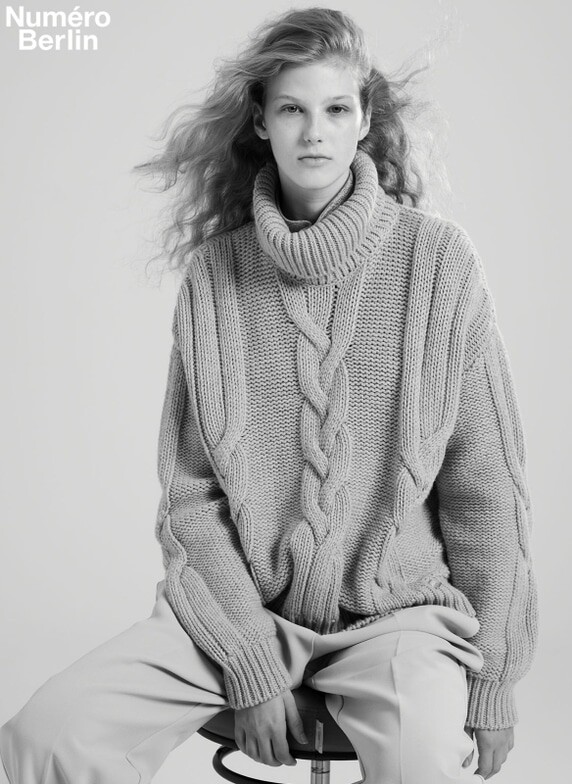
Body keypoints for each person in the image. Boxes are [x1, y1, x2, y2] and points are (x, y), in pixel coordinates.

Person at [0, 6, 538, 784]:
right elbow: (191, 501)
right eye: (292, 109)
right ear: (262, 121)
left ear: (365, 121)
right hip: (240, 611)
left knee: (423, 767)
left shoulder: (438, 265)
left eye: (336, 109)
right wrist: (250, 659)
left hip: (398, 620)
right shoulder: (216, 278)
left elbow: (486, 491)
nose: (314, 132)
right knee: (46, 734)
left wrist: (494, 679)